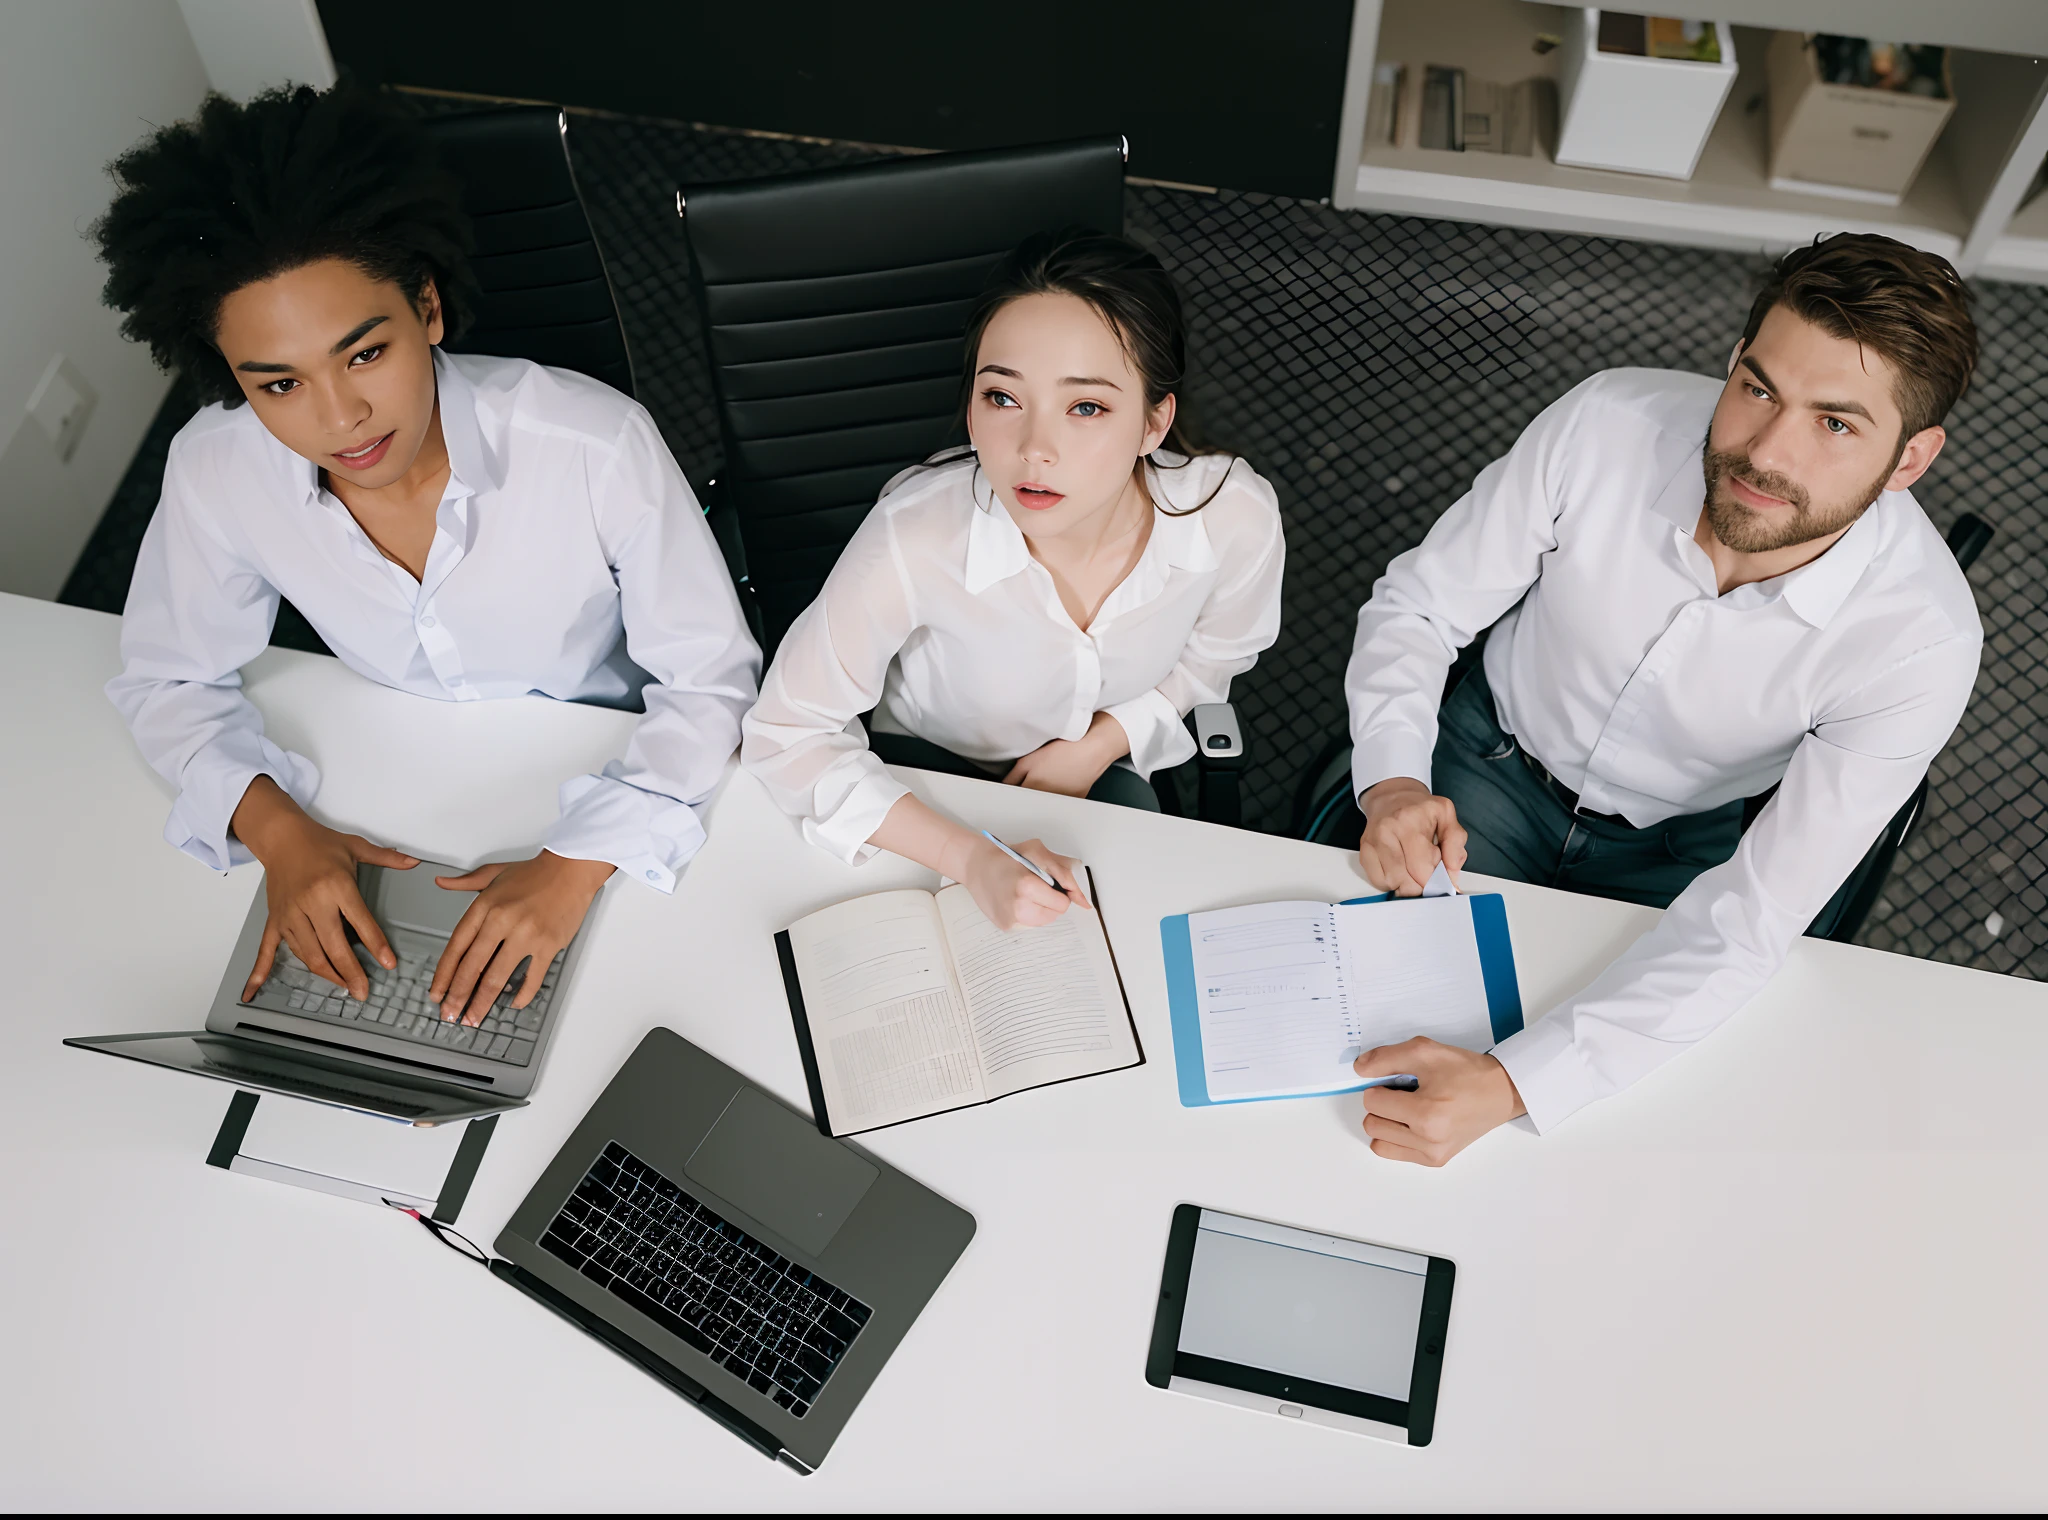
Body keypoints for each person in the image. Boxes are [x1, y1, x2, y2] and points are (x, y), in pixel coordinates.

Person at [95, 84, 759, 1027]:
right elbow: (165, 680)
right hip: (388, 776)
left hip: (609, 760)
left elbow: (713, 684)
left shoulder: (592, 443)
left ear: (429, 309)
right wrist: (275, 830)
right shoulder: (218, 465)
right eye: (279, 382)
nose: (338, 418)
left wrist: (577, 864)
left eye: (364, 354)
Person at [1341, 233, 1983, 1164]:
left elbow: (1752, 919)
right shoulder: (1605, 421)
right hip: (1488, 765)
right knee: (1364, 1045)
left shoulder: (1921, 643)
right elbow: (1421, 606)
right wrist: (1394, 781)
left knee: (1613, 1134)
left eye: (1835, 424)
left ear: (1911, 459)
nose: (1764, 451)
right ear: (1732, 362)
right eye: (1757, 388)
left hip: (1684, 848)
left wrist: (1520, 1085)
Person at [742, 229, 1284, 931]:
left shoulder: (1233, 517)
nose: (1034, 449)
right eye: (1002, 398)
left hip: (1096, 776)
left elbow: (1218, 655)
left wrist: (1102, 743)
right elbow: (786, 731)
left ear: (1154, 422)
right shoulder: (918, 532)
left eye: (1085, 407)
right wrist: (971, 858)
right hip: (921, 777)